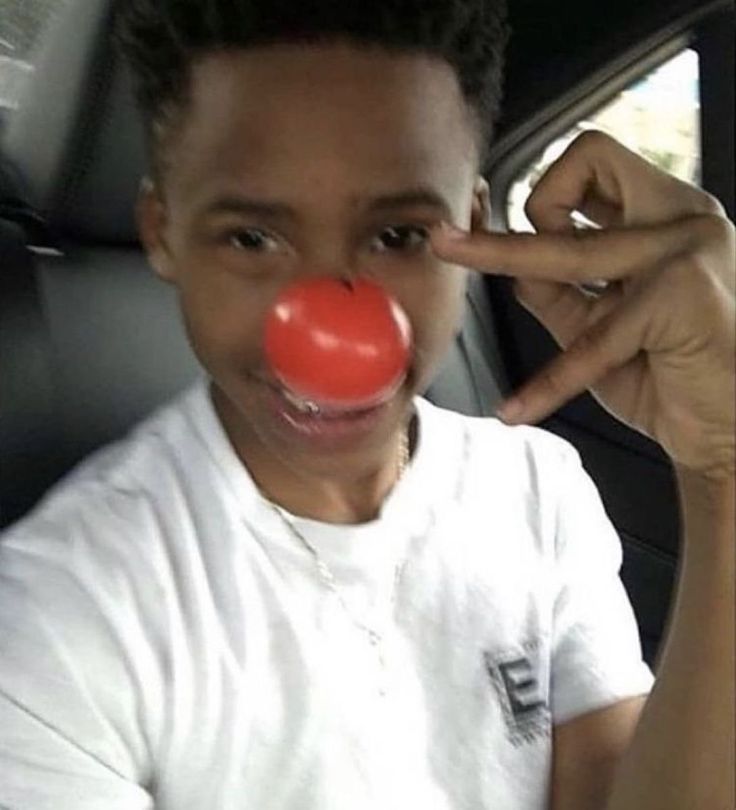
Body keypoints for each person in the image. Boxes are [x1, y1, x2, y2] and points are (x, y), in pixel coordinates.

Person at [0, 1, 733, 809]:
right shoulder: (58, 614)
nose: (331, 328)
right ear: (164, 231)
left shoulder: (540, 492)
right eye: (251, 238)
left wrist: (723, 470)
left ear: (475, 230)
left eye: (400, 237)